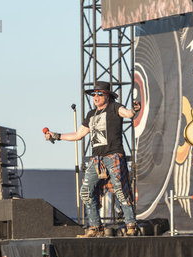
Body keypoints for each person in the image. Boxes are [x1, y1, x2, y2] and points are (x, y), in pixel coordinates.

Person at [45, 81, 140, 237]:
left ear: (107, 96)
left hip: (113, 155)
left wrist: (135, 110)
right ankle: (95, 227)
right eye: (94, 94)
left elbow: (128, 114)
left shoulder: (114, 107)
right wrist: (57, 136)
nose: (95, 97)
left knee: (120, 190)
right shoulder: (91, 114)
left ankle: (131, 223)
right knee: (86, 192)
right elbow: (78, 134)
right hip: (96, 160)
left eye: (99, 94)